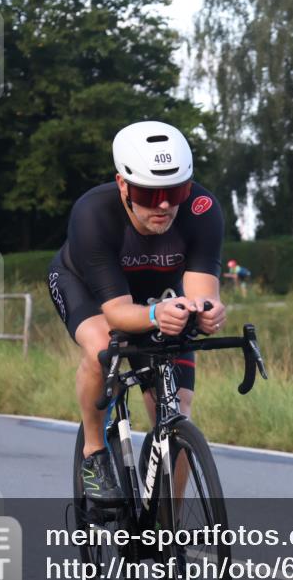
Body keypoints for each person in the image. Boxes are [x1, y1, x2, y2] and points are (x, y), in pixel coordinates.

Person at [46, 121, 226, 504]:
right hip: (89, 289)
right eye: (149, 193)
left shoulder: (202, 210)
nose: (163, 205)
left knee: (178, 409)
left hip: (156, 295)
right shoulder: (93, 213)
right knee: (101, 348)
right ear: (123, 185)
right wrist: (155, 315)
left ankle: (167, 526)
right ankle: (94, 453)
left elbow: (201, 294)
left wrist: (206, 313)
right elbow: (116, 315)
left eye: (175, 191)